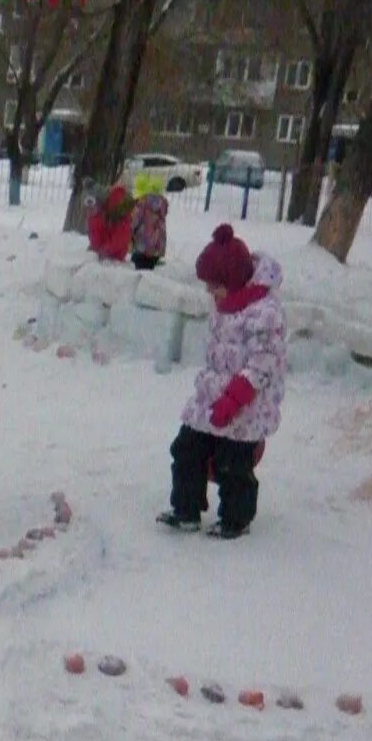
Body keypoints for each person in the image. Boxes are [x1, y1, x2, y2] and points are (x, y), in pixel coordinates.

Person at [157, 224, 287, 540]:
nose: (209, 293)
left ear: (232, 281)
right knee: (187, 448)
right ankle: (186, 509)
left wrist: (232, 402)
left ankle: (235, 518)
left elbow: (261, 366)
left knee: (232, 464)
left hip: (246, 405)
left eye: (214, 286)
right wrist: (211, 394)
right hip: (212, 396)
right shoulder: (224, 305)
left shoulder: (265, 314)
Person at [86, 185, 133, 262]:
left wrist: (105, 250)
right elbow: (97, 235)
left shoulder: (122, 219)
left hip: (115, 259)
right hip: (102, 254)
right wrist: (93, 217)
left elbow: (119, 240)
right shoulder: (104, 215)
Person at [130, 177, 169, 270]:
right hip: (157, 245)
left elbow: (134, 220)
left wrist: (130, 230)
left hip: (142, 243)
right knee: (149, 268)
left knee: (140, 267)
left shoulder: (142, 203)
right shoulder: (163, 204)